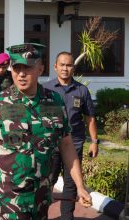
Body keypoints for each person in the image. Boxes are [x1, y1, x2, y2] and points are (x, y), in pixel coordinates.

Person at [0, 43, 92, 220]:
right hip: (9, 198)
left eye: (27, 67)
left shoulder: (54, 101)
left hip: (41, 197)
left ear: (40, 69)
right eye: (16, 68)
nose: (21, 74)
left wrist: (80, 186)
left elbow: (66, 145)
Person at [43, 51, 98, 220]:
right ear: (55, 67)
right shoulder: (46, 89)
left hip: (74, 145)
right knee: (46, 183)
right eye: (62, 65)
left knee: (71, 185)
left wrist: (94, 141)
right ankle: (41, 215)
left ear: (73, 67)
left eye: (69, 65)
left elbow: (90, 118)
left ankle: (67, 217)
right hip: (51, 145)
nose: (65, 68)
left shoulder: (82, 90)